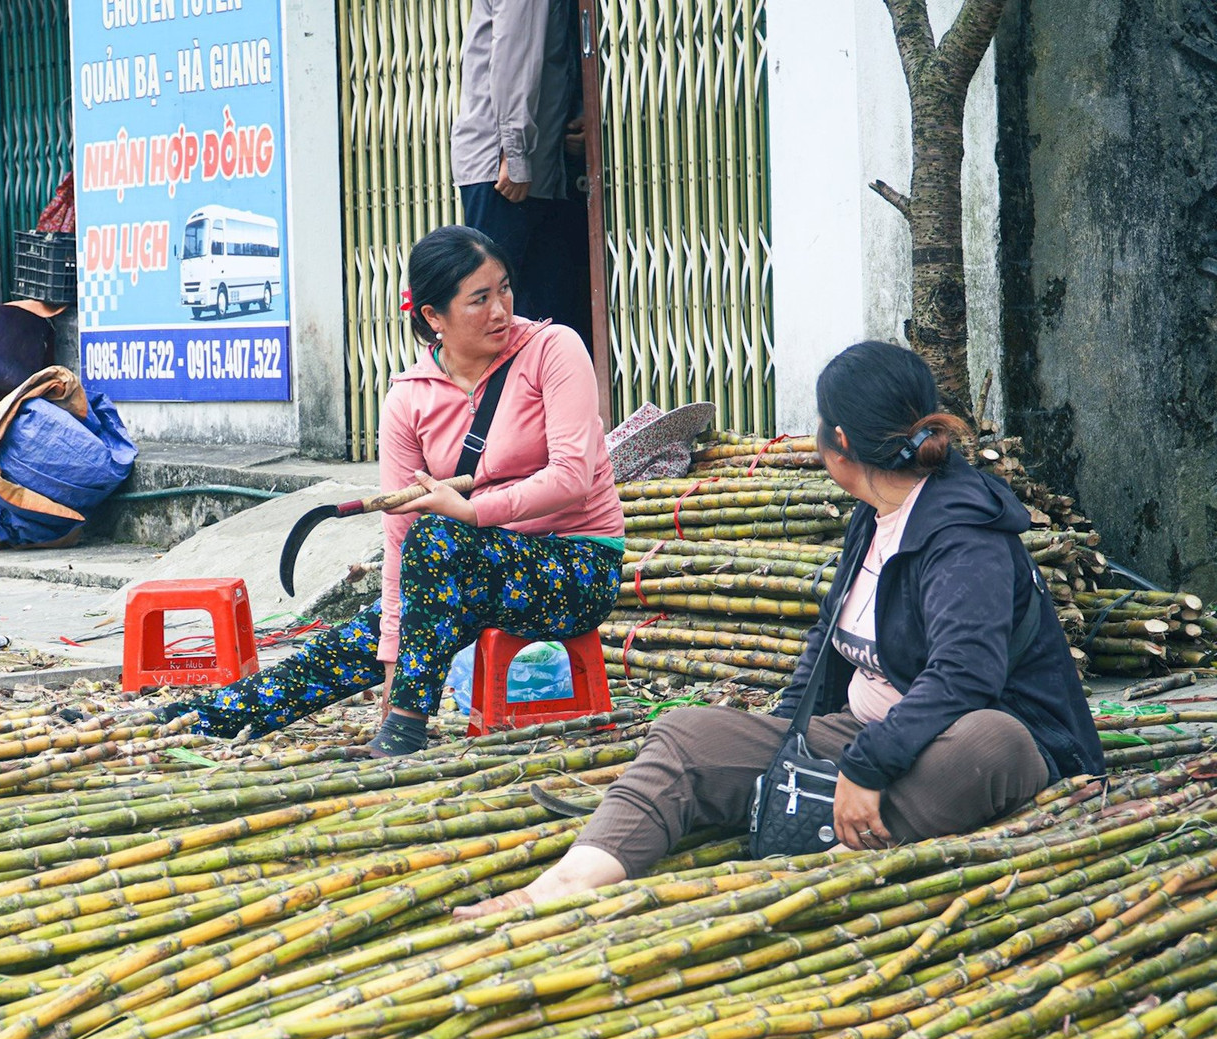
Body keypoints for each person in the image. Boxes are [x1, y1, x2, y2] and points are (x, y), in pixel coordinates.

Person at [458, 341, 1106, 917]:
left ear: (842, 443)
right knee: (686, 735)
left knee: (982, 743)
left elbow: (966, 676)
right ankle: (568, 882)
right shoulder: (875, 514)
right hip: (869, 735)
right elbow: (824, 657)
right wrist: (778, 749)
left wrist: (867, 766)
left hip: (991, 741)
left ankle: (812, 837)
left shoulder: (965, 531)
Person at [173, 225, 625, 756]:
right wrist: (393, 656)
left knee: (438, 539)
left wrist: (475, 511)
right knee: (351, 643)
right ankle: (196, 718)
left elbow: (573, 477)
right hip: (463, 567)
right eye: (480, 299)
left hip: (575, 569)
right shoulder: (408, 400)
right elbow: (398, 539)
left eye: (504, 289)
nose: (501, 309)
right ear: (433, 317)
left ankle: (406, 729)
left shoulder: (553, 349)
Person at [451, 0, 583, 333]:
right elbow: (515, 57)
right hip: (505, 172)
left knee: (540, 317)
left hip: (536, 169)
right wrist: (517, 154)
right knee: (502, 315)